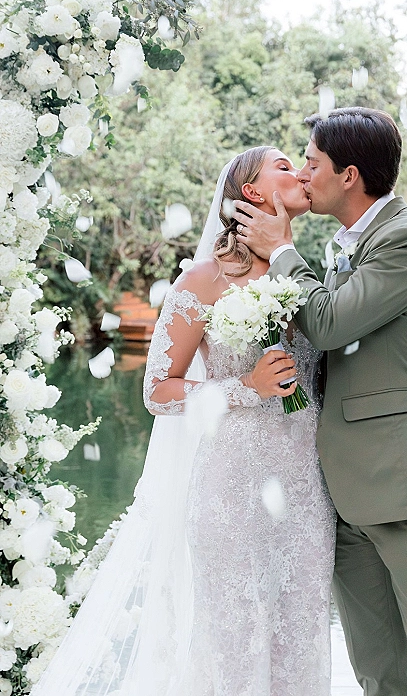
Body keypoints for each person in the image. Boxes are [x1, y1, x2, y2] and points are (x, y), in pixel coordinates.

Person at [31, 147, 335, 696]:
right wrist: (245, 388)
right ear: (251, 192)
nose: (303, 173)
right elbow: (158, 391)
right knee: (233, 642)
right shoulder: (205, 279)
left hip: (306, 488)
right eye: (285, 166)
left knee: (303, 635)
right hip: (233, 488)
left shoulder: (308, 275)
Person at [235, 108, 407, 696]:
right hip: (345, 496)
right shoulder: (345, 245)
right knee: (377, 675)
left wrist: (279, 251)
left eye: (312, 161)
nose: (303, 172)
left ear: (349, 175)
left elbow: (327, 325)